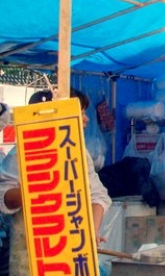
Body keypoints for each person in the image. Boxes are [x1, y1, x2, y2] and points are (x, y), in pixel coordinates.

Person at [0, 88, 112, 275]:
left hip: (73, 252)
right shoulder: (23, 152)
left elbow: (98, 195)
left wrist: (92, 230)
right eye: (81, 112)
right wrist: (39, 188)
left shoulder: (80, 153)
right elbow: (4, 197)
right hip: (32, 256)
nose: (86, 119)